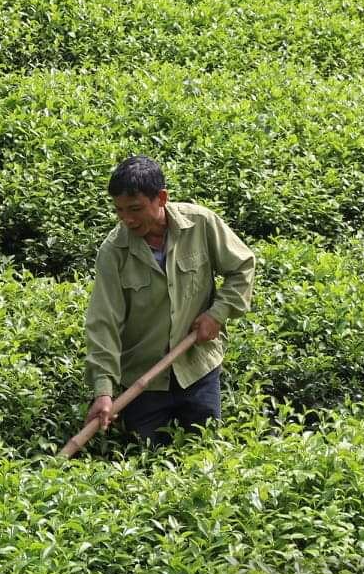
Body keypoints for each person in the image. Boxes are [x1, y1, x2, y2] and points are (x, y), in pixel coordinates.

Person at [83, 156, 255, 446]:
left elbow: (242, 267)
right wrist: (103, 391)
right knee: (145, 457)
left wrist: (217, 314)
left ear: (161, 198)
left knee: (205, 451)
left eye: (135, 209)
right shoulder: (114, 252)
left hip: (197, 368)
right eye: (120, 211)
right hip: (142, 381)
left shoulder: (200, 223)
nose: (128, 219)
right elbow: (103, 323)